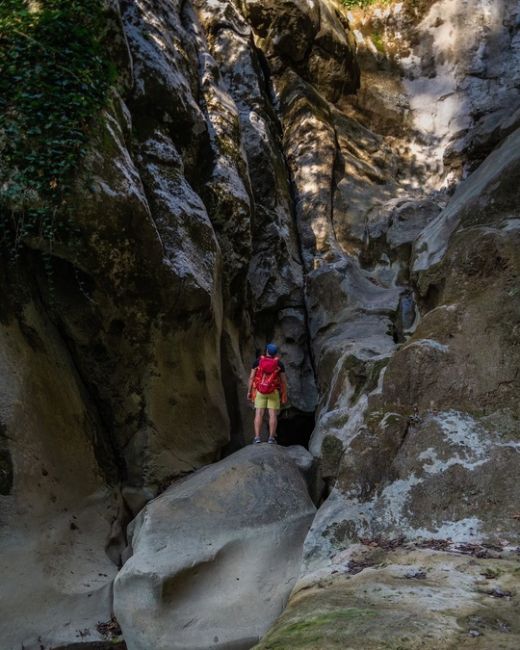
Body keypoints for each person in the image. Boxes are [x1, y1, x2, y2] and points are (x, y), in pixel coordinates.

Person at [247, 343, 288, 444]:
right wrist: (284, 393)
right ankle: (271, 438)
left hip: (260, 391)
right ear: (275, 353)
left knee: (259, 413)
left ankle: (257, 438)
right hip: (273, 391)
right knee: (272, 415)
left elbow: (251, 377)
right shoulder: (279, 364)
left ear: (266, 351)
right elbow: (283, 381)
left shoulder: (257, 362)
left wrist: (249, 391)